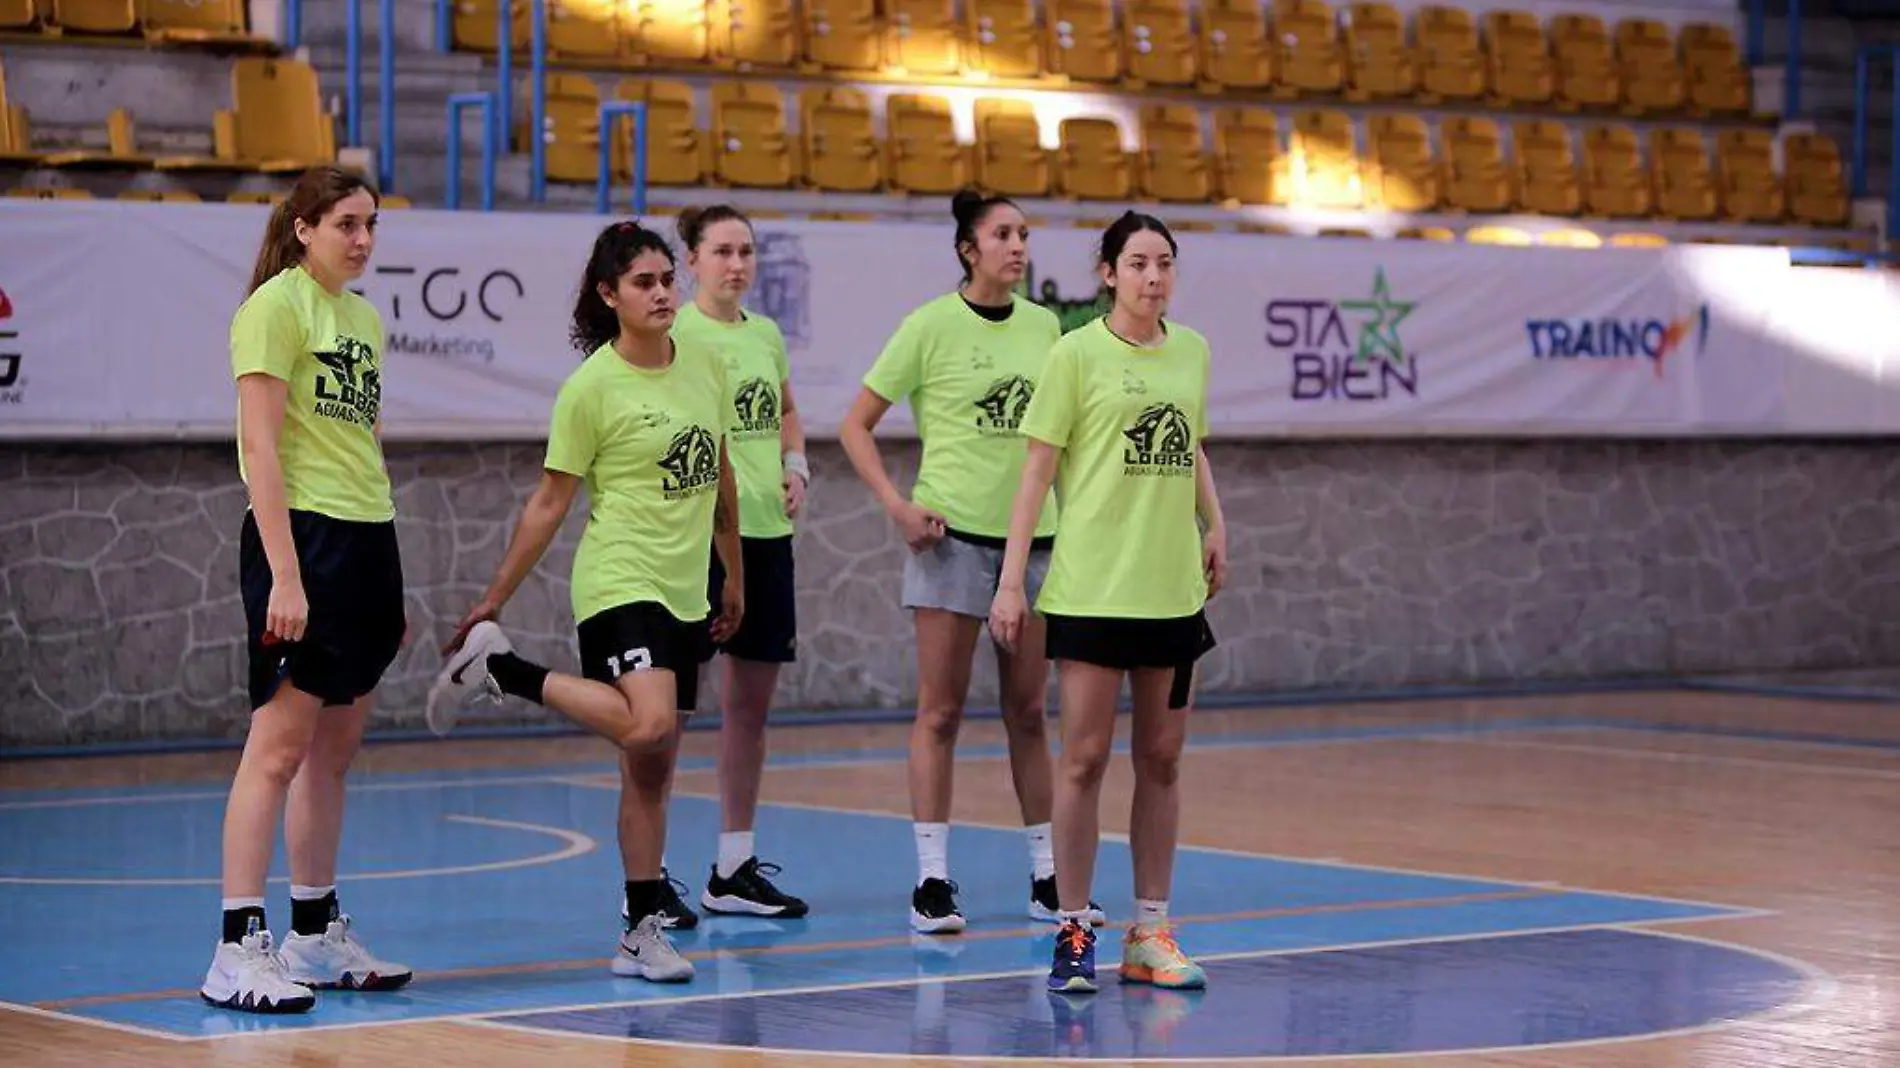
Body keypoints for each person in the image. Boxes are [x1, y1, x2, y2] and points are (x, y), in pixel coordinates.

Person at [426, 220, 744, 984]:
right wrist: (493, 597)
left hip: (684, 586)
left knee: (652, 769)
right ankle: (503, 667)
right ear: (609, 296)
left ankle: (639, 930)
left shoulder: (703, 366)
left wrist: (731, 575)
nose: (663, 292)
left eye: (667, 278)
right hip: (618, 581)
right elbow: (547, 504)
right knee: (650, 723)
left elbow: (721, 475)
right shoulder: (592, 389)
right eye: (644, 282)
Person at [839, 188, 1104, 934]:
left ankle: (1048, 878)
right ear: (968, 249)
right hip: (950, 543)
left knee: (1027, 712)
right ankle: (931, 883)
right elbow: (856, 426)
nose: (1018, 246)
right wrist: (898, 505)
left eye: (1024, 233)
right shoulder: (928, 326)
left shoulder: (1047, 326)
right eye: (1002, 234)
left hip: (1035, 545)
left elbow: (1063, 436)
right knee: (941, 712)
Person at [989, 211, 1225, 995]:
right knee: (1084, 760)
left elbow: (1187, 443)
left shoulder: (1191, 351)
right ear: (1108, 273)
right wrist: (1013, 580)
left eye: (1165, 263)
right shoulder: (1074, 354)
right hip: (1092, 589)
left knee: (1161, 760)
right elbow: (1034, 473)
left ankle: (1150, 930)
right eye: (1138, 264)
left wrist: (1215, 521)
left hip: (1171, 591)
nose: (1153, 277)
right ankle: (1075, 930)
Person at [203, 164, 413, 1015]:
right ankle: (234, 946)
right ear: (303, 228)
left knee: (334, 752)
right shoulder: (273, 309)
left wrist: (384, 587)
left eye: (370, 226)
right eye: (346, 226)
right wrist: (286, 574)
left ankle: (314, 933)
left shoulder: (362, 318)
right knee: (278, 749)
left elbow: (359, 442)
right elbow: (262, 450)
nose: (362, 241)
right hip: (304, 542)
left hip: (367, 537)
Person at [670, 204, 809, 921]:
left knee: (748, 710)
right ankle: (650, 875)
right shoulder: (676, 335)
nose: (737, 265)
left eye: (747, 251)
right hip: (695, 541)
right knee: (669, 709)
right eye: (722, 251)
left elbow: (785, 409)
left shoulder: (765, 335)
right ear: (690, 260)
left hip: (764, 534)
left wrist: (795, 464)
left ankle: (732, 867)